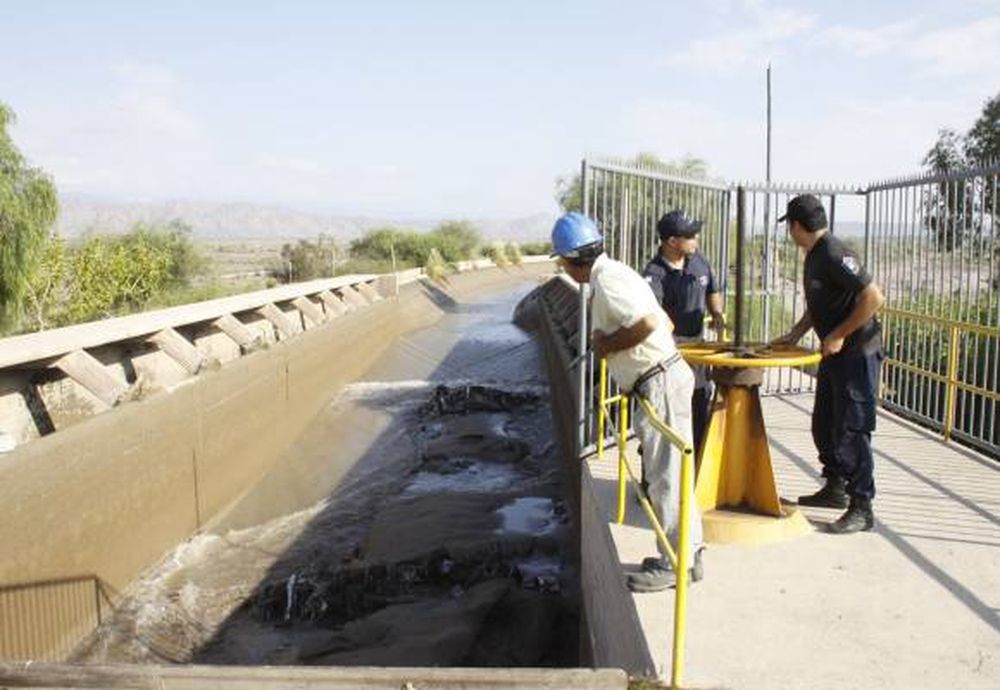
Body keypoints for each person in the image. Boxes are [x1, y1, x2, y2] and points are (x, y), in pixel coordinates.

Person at [551, 212, 704, 590]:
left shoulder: (607, 281)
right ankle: (689, 555)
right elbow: (664, 322)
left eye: (564, 263)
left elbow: (650, 326)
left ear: (571, 262)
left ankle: (675, 565)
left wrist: (607, 347)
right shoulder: (618, 273)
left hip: (659, 384)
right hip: (659, 379)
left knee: (666, 479)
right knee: (674, 475)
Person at [772, 194, 885, 534]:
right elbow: (819, 303)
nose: (789, 234)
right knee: (825, 424)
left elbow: (874, 297)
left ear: (795, 225)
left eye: (789, 227)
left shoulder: (835, 253)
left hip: (857, 354)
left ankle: (862, 506)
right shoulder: (814, 256)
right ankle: (835, 487)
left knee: (852, 429)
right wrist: (795, 333)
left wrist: (837, 334)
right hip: (835, 356)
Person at [642, 210, 725, 458]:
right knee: (668, 415)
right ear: (672, 242)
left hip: (697, 351)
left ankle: (697, 469)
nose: (696, 238)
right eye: (690, 235)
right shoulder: (653, 274)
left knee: (699, 406)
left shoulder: (698, 260)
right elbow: (653, 316)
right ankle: (659, 475)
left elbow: (712, 287)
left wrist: (717, 313)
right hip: (669, 355)